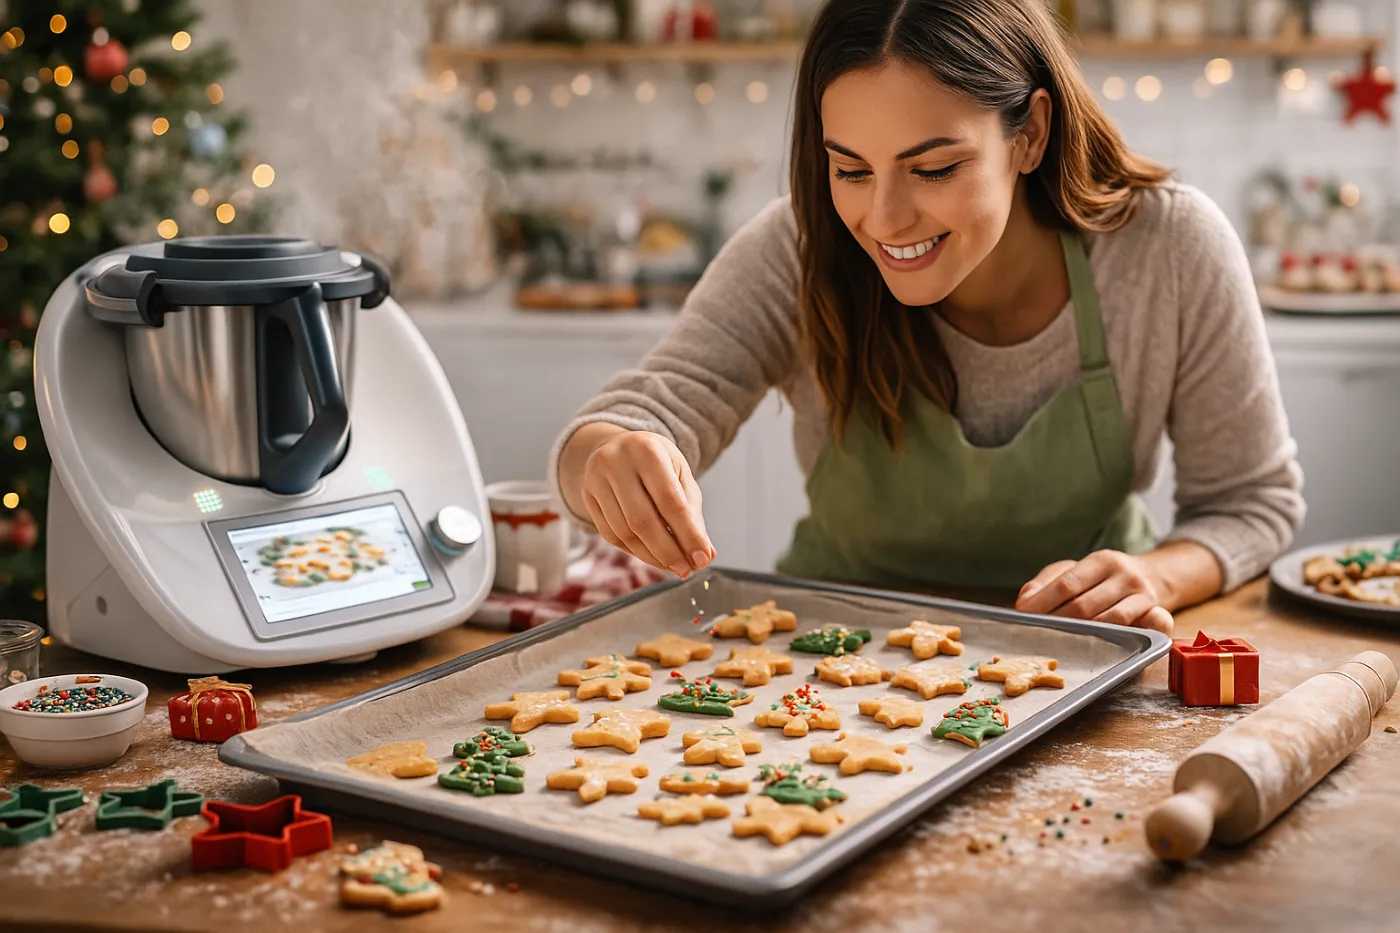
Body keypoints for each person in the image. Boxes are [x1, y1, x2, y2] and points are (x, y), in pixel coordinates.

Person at [549, 0, 1303, 633]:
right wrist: (607, 453)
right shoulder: (797, 249)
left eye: (934, 168)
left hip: (1080, 658)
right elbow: (640, 412)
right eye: (850, 169)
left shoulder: (1168, 249)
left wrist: (1155, 577)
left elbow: (1251, 502)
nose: (884, 218)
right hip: (828, 663)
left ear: (1030, 133)